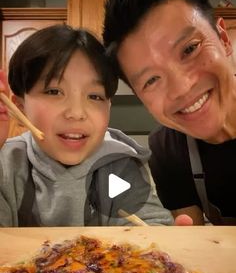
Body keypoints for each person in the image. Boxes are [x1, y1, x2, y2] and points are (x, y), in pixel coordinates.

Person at [0, 23, 175, 227]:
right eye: (54, 92)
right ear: (19, 106)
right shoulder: (7, 164)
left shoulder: (117, 166)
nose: (76, 113)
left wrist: (162, 242)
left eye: (94, 96)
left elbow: (149, 225)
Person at [103, 0, 236, 225]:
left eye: (189, 49)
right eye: (151, 80)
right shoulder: (167, 150)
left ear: (224, 39)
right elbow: (195, 243)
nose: (182, 88)